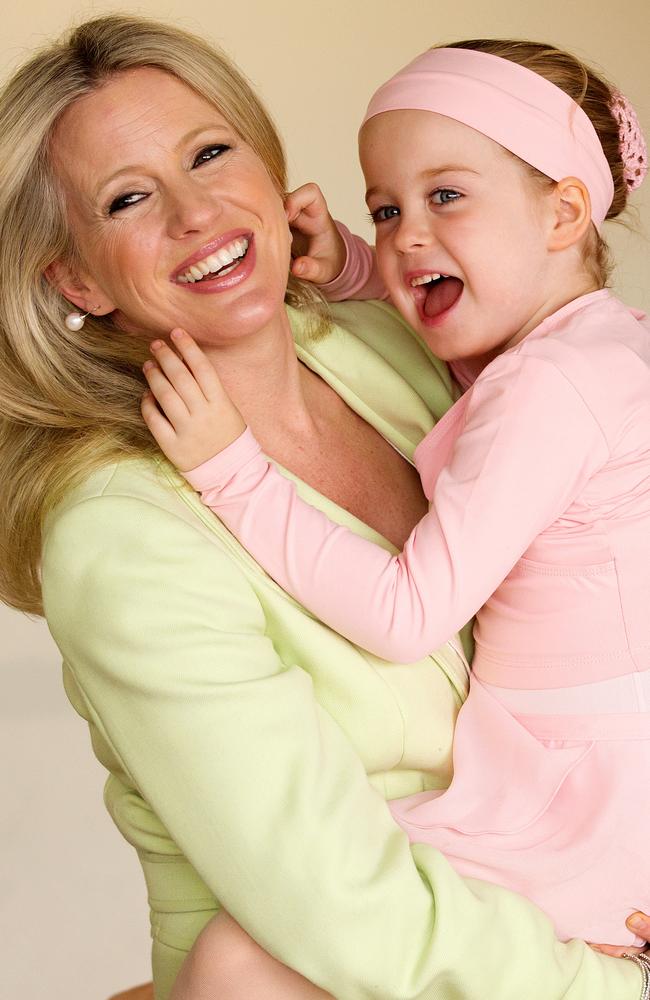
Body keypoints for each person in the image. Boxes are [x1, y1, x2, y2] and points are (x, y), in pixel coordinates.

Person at [0, 16, 646, 1000]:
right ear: (77, 278)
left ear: (267, 169)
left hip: (552, 895)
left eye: (211, 154)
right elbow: (334, 904)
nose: (196, 212)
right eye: (129, 197)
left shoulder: (389, 355)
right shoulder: (118, 532)